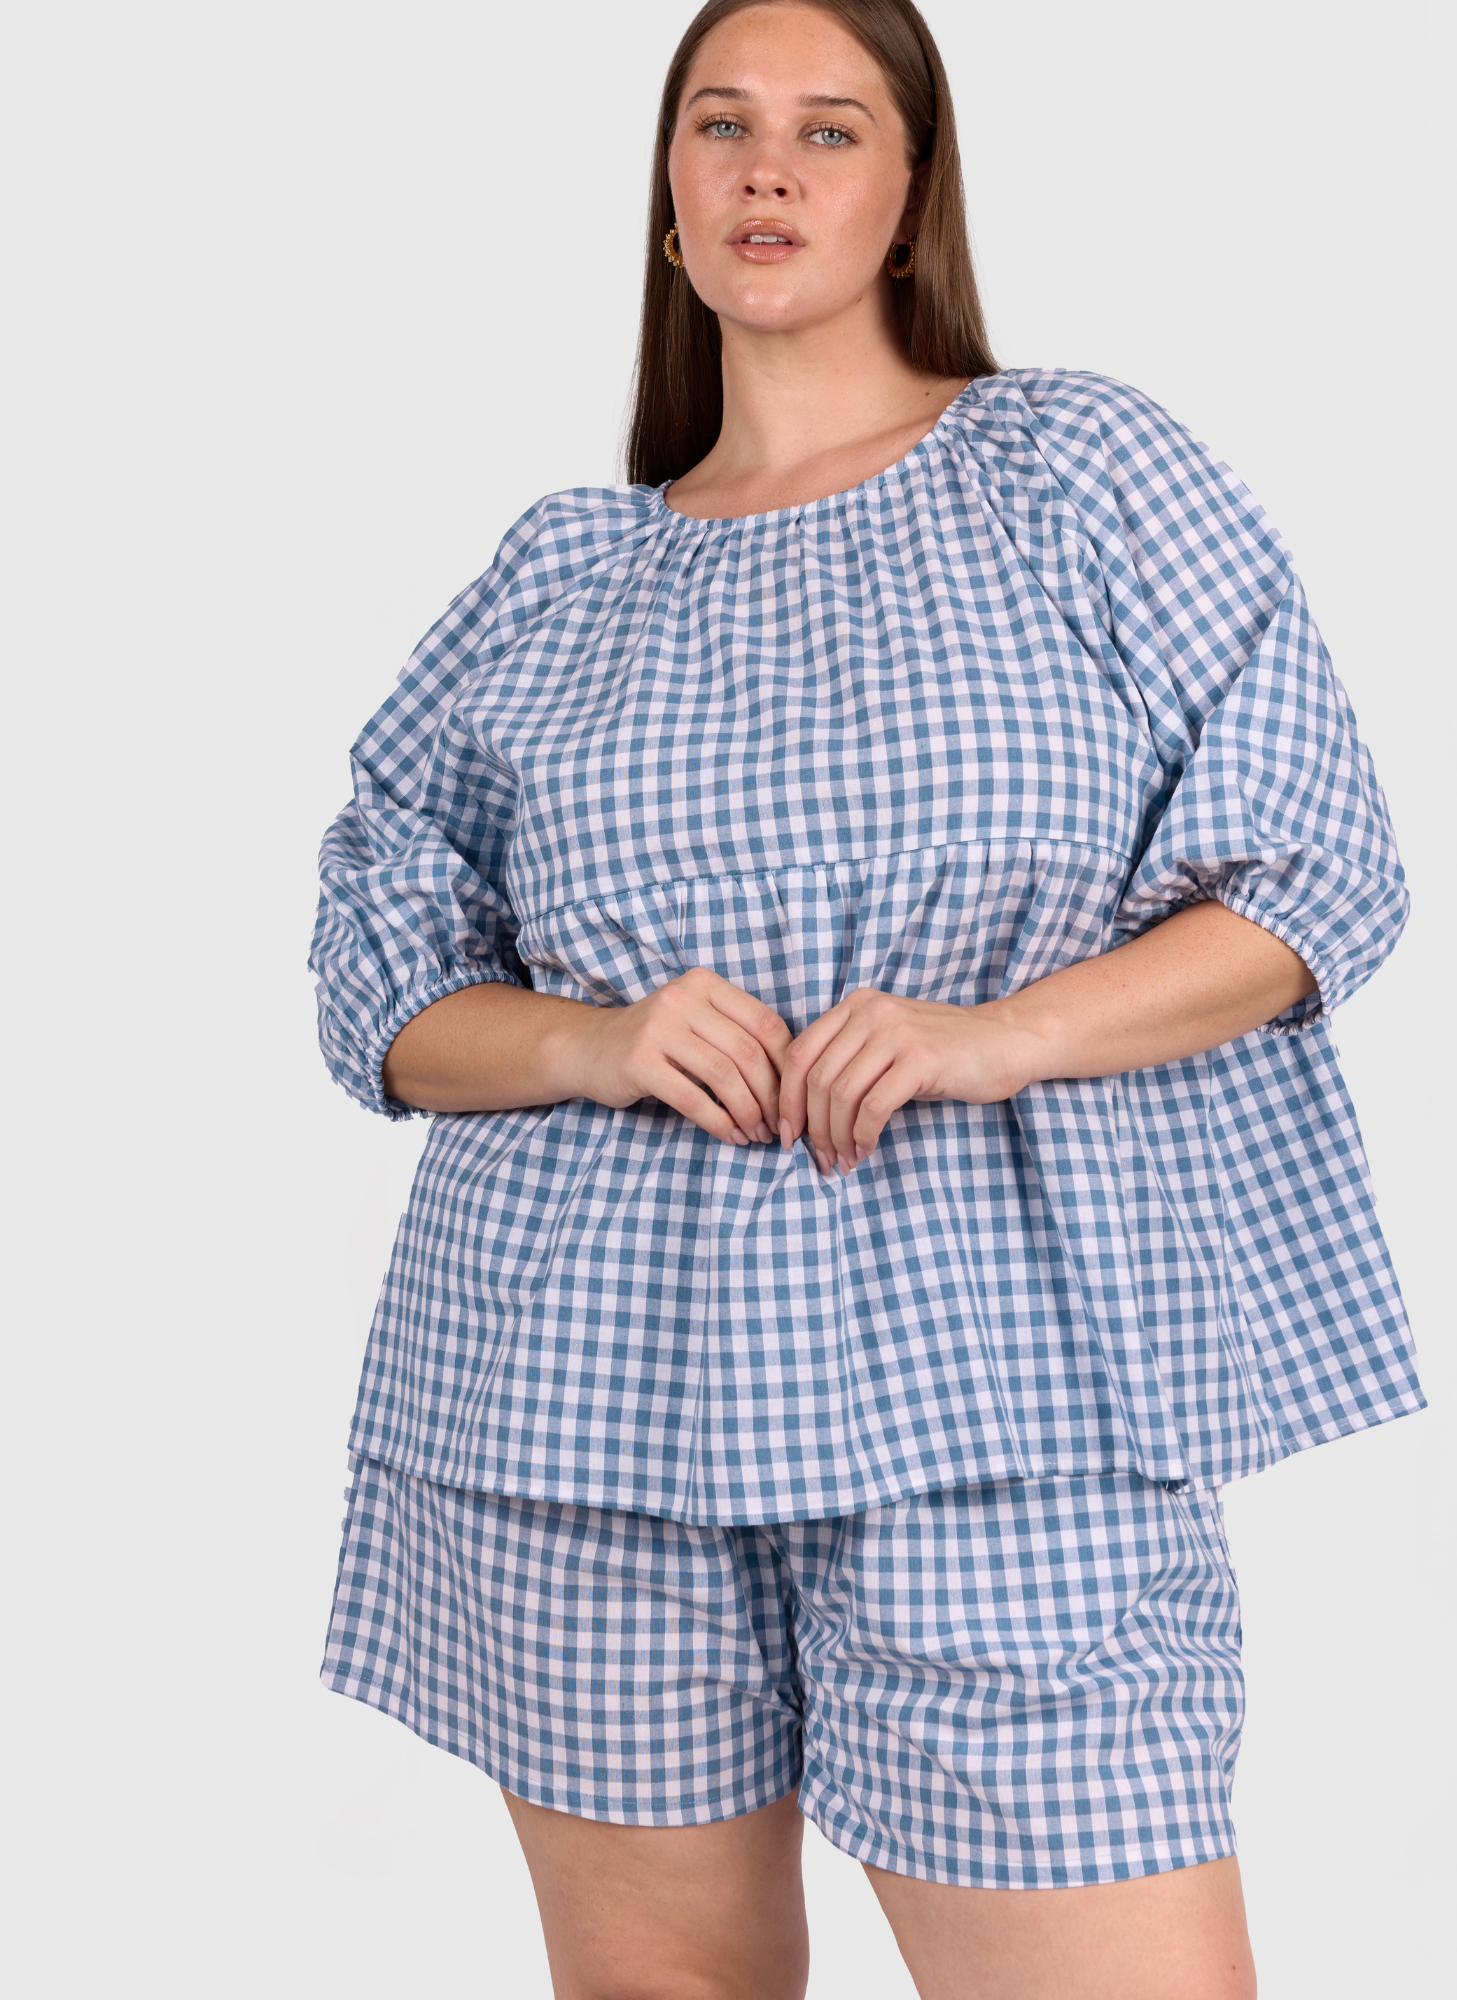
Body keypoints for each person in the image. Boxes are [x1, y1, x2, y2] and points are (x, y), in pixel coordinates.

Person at [308, 2, 1421, 1993]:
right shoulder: (563, 575)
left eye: (829, 129)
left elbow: (1315, 869)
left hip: (1006, 1391)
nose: (766, 167)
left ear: (912, 196)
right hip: (578, 1398)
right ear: (667, 194)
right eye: (719, 124)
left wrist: (993, 1035)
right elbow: (375, 965)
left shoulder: (1073, 470)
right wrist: (593, 1040)